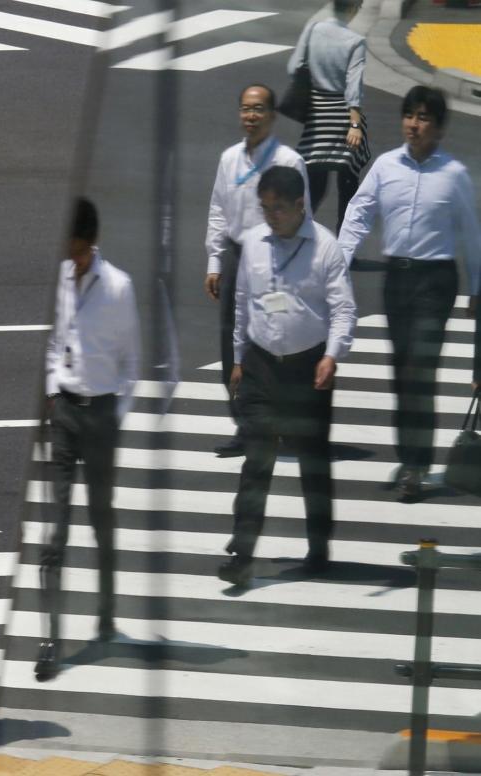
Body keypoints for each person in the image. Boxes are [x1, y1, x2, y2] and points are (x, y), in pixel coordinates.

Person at [338, 86, 481, 500]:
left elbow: (471, 235)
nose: (413, 124)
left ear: (438, 129)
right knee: (401, 375)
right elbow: (360, 210)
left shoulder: (453, 174)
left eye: (423, 118)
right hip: (396, 280)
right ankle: (408, 456)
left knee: (420, 372)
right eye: (409, 115)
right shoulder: (385, 166)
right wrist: (341, 257)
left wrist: (477, 287)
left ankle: (417, 466)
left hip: (435, 282)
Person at [218, 167, 356, 588]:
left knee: (313, 463)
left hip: (307, 369)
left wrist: (332, 355)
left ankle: (319, 546)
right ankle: (242, 554)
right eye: (265, 208)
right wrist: (239, 357)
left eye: (278, 208)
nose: (270, 216)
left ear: (300, 206)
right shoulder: (254, 245)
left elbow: (344, 309)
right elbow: (242, 302)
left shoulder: (325, 249)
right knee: (256, 462)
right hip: (261, 367)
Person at [35, 199, 140, 680]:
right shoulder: (59, 279)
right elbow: (56, 340)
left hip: (100, 415)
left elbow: (131, 363)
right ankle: (51, 637)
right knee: (54, 529)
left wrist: (114, 416)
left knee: (101, 519)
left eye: (77, 248)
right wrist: (55, 390)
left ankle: (106, 614)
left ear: (91, 243)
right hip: (66, 415)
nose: (72, 256)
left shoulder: (118, 287)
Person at [206, 84, 310, 457]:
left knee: (276, 341)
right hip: (237, 257)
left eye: (259, 109)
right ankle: (246, 426)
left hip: (275, 259)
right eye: (246, 109)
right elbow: (218, 210)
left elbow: (304, 217)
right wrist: (215, 262)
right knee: (230, 343)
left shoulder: (288, 161)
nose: (251, 116)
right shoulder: (229, 159)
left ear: (272, 115)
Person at [287, 0, 370, 235]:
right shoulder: (356, 42)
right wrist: (354, 124)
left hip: (318, 116)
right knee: (348, 184)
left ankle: (299, 231)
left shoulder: (313, 29)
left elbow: (294, 67)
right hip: (344, 118)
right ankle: (344, 241)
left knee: (315, 183)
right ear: (354, 8)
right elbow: (354, 88)